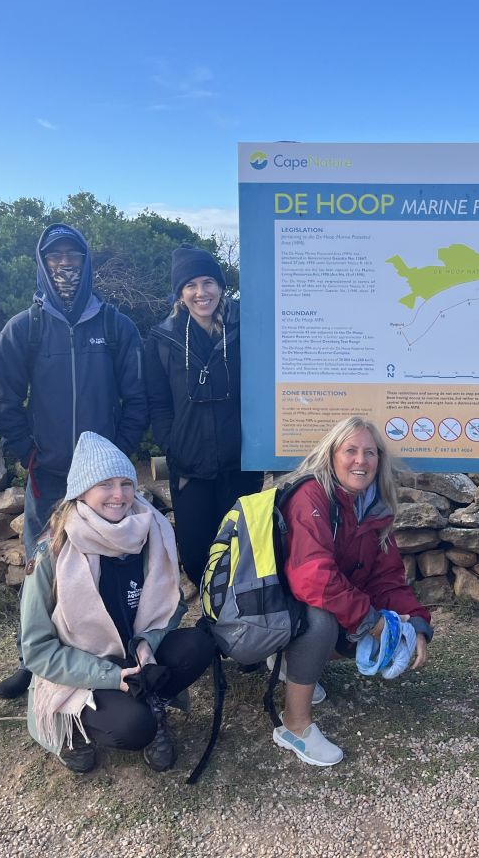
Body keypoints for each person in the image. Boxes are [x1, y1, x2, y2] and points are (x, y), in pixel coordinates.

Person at [0, 223, 148, 700]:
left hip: (105, 482)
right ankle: (33, 658)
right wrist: (29, 453)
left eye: (72, 257)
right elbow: (3, 400)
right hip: (51, 474)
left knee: (112, 565)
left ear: (86, 262)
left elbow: (136, 400)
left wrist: (116, 460)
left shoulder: (117, 326)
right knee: (44, 566)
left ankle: (113, 655)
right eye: (54, 257)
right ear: (42, 263)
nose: (64, 266)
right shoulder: (26, 327)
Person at [21, 432, 216, 774]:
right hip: (84, 666)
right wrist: (112, 676)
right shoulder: (51, 551)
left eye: (126, 483)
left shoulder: (150, 531)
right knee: (133, 728)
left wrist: (145, 645)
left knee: (199, 643)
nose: (119, 494)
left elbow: (173, 607)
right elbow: (37, 650)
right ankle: (75, 729)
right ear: (81, 491)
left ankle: (152, 704)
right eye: (105, 484)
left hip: (136, 652)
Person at [271, 417, 432, 766]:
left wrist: (415, 624)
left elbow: (386, 578)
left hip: (316, 604)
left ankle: (289, 663)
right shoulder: (311, 495)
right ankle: (293, 726)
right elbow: (313, 578)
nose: (361, 460)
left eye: (370, 452)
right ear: (332, 455)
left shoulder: (373, 507)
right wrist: (372, 622)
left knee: (348, 622)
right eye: (351, 450)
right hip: (276, 610)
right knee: (322, 621)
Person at [144, 245, 261, 586]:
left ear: (221, 286)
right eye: (191, 284)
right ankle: (214, 622)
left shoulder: (247, 327)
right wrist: (172, 443)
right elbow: (158, 402)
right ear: (180, 291)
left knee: (240, 554)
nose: (201, 293)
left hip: (240, 465)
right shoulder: (163, 339)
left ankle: (237, 630)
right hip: (190, 468)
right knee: (196, 557)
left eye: (208, 282)